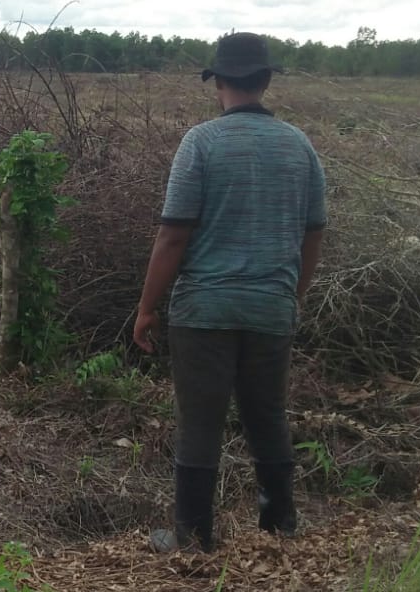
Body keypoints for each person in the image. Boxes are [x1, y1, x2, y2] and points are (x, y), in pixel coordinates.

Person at [132, 32, 328, 553]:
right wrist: (294, 295)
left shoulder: (201, 143)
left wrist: (147, 308)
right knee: (267, 412)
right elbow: (313, 234)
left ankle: (193, 539)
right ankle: (279, 528)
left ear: (217, 82)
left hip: (204, 310)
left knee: (201, 419)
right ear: (265, 80)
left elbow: (173, 234)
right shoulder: (299, 146)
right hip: (272, 307)